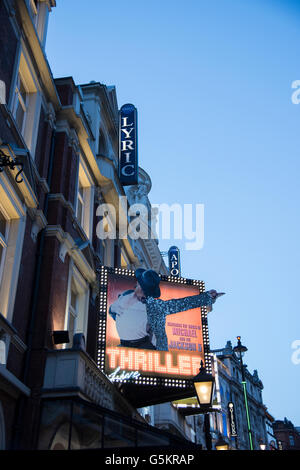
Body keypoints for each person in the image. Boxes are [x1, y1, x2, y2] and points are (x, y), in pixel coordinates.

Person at [109, 268, 223, 351]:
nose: (146, 296)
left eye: (148, 293)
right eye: (144, 291)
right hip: (123, 347)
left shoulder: (154, 305)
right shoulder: (125, 295)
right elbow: (112, 311)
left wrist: (206, 297)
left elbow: (180, 304)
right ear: (138, 283)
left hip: (144, 350)